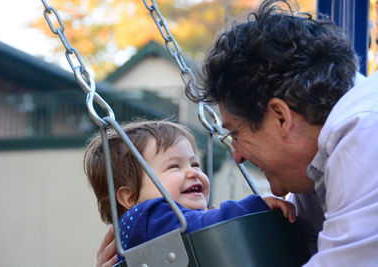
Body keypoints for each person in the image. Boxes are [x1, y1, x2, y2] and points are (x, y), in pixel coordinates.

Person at [96, 0, 378, 266]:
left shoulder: (364, 133)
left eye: (236, 133)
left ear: (280, 117)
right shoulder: (314, 165)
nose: (238, 155)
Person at [84, 120, 296, 264]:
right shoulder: (147, 216)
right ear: (129, 197)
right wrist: (252, 207)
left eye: (195, 164)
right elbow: (198, 226)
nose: (192, 173)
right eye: (174, 167)